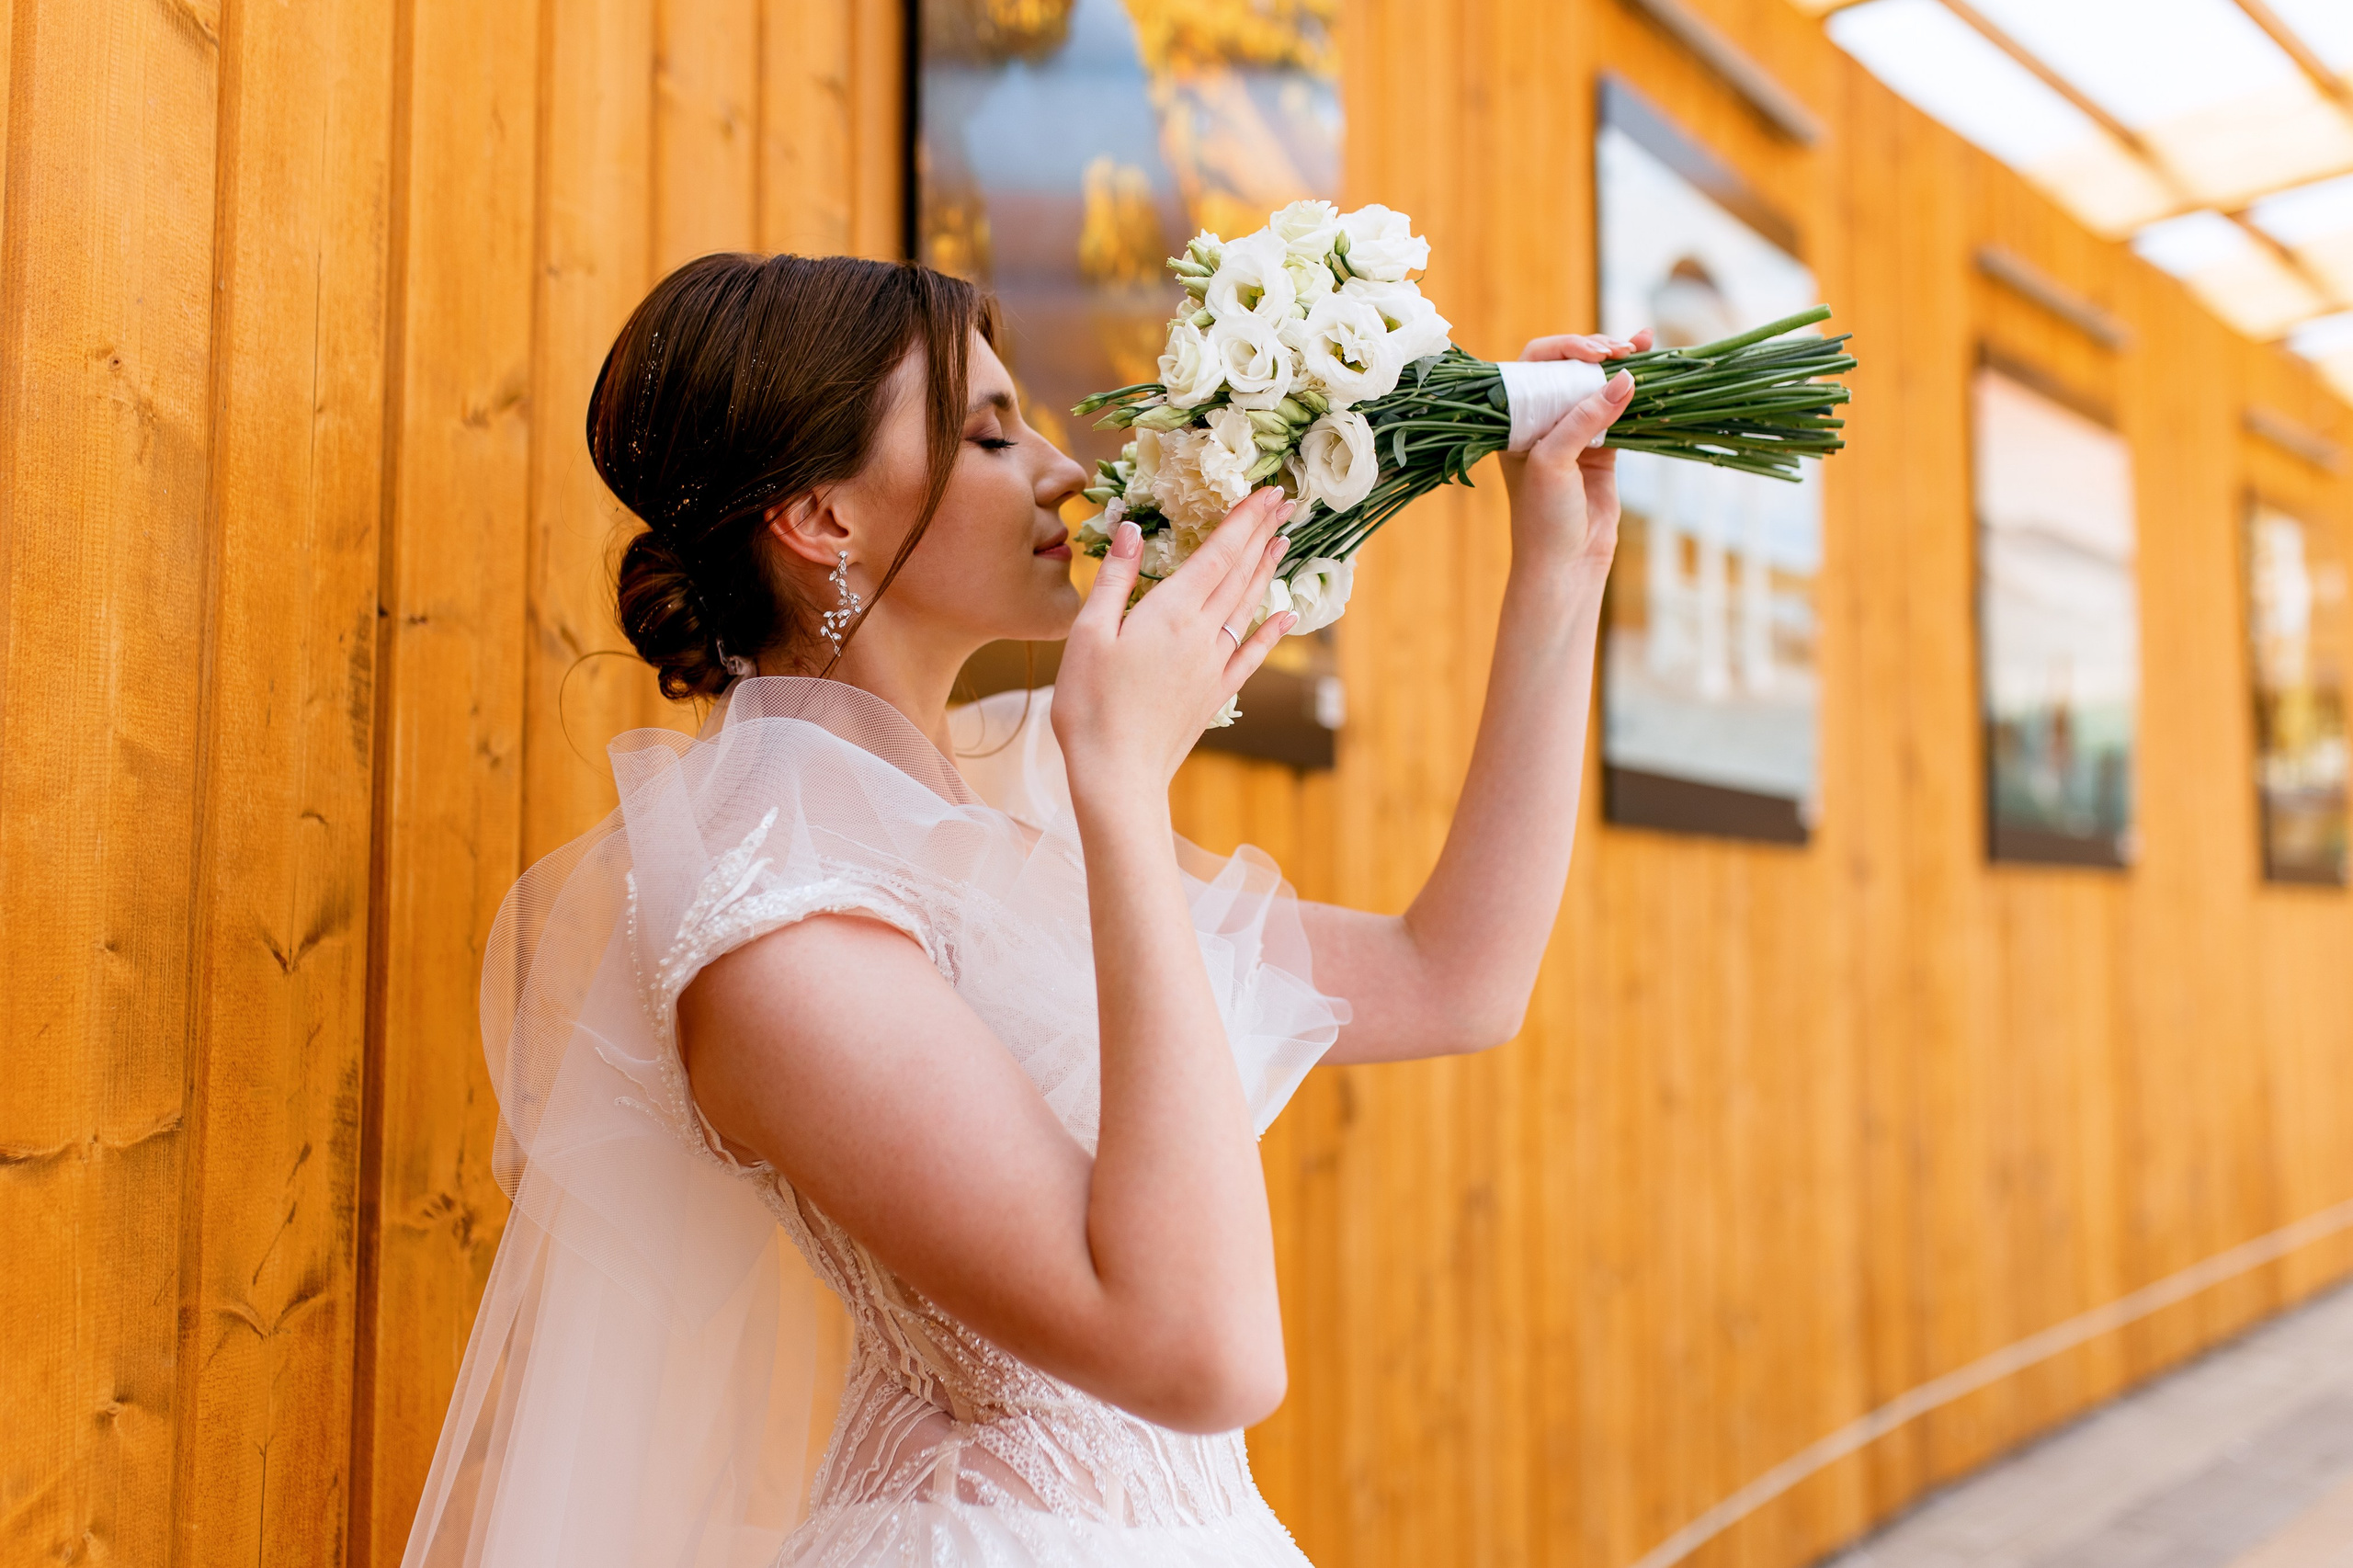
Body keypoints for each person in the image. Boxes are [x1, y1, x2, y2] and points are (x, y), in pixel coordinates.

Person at [401, 253, 1643, 1568]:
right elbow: (1200, 1352)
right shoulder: (778, 935)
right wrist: (1119, 787)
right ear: (822, 516)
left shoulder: (1013, 816)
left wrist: (1562, 560)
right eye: (991, 433)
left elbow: (1453, 978)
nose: (1063, 469)